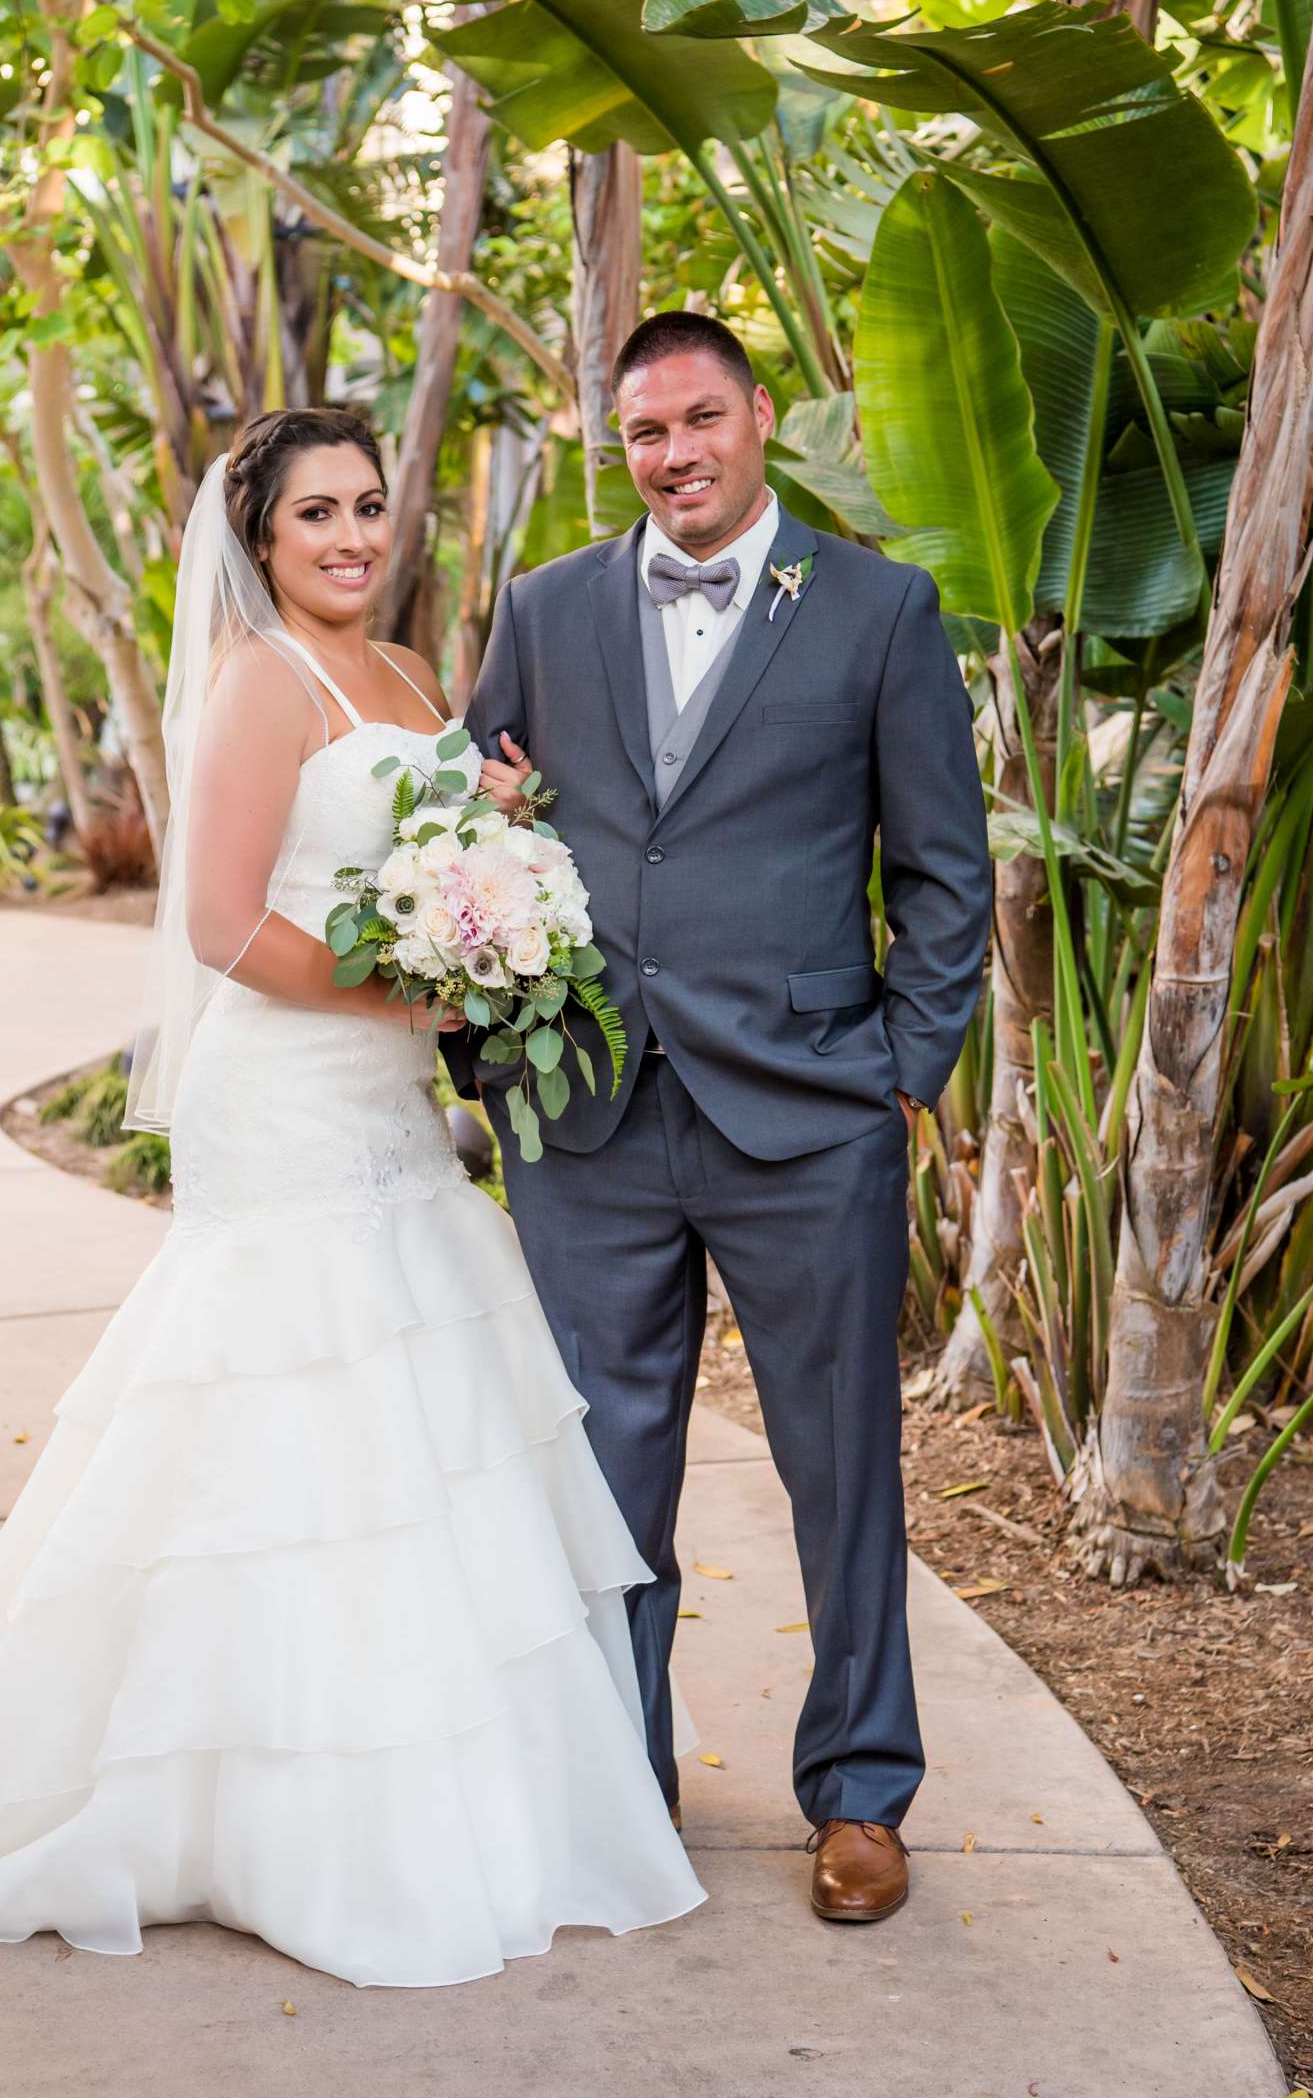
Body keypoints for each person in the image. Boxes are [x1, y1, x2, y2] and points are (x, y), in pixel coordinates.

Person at [0, 407, 704, 1986]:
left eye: (370, 505)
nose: (351, 535)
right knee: (290, 1420)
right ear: (260, 542)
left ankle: (452, 1783)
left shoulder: (406, 672)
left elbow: (446, 842)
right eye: (317, 513)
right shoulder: (265, 685)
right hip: (290, 1100)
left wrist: (504, 866)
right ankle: (251, 1802)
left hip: (390, 1116)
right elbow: (217, 928)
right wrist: (423, 993)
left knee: (418, 1426)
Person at [451, 313, 991, 1926]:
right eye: (643, 433)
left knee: (844, 1468)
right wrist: (499, 1052)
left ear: (760, 420)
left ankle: (862, 1792)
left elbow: (944, 873)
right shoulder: (547, 609)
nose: (673, 455)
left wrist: (903, 1067)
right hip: (591, 1120)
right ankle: (626, 1781)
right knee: (607, 1468)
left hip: (811, 1111)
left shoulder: (881, 609)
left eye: (699, 421)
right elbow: (478, 830)